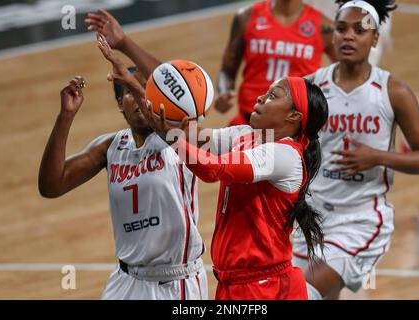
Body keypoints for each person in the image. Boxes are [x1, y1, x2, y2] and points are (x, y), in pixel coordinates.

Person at [97, 31, 330, 299]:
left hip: (266, 287)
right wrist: (139, 89)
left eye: (272, 96)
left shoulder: (285, 156)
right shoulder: (246, 135)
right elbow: (191, 135)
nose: (259, 98)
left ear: (294, 116)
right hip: (233, 284)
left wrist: (170, 133)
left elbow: (213, 169)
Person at [291, 0, 419, 300]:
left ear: (375, 39)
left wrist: (377, 157)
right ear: (331, 35)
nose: (348, 36)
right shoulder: (311, 87)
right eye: (341, 28)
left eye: (360, 30)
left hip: (359, 222)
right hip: (310, 216)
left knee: (303, 295)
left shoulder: (393, 92)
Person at [38, 68, 208, 298]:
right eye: (130, 91)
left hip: (176, 282)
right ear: (120, 103)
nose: (140, 97)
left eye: (147, 90)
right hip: (126, 280)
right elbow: (51, 185)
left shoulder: (179, 137)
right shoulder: (111, 147)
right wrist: (65, 116)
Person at [214, 0, 337, 126]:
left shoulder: (324, 26)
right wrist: (224, 92)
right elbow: (227, 71)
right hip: (248, 120)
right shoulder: (247, 16)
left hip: (293, 126)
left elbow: (344, 70)